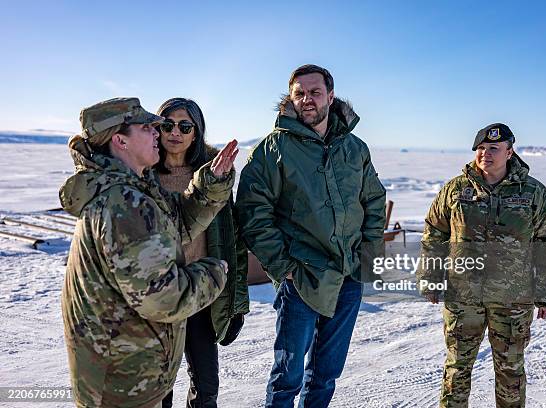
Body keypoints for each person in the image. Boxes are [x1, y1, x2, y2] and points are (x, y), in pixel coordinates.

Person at [60, 97, 239, 408]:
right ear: (120, 140)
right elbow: (163, 298)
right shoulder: (123, 204)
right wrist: (213, 273)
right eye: (149, 127)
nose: (160, 132)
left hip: (129, 368)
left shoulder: (132, 189)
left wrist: (210, 186)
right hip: (124, 381)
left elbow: (178, 222)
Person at [236, 64, 386, 407]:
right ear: (291, 98)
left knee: (326, 374)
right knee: (287, 378)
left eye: (315, 92)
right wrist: (282, 265)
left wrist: (368, 252)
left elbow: (373, 200)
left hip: (348, 275)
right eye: (299, 93)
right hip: (301, 277)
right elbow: (252, 212)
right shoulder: (272, 149)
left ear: (330, 97)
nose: (307, 100)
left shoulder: (355, 148)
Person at [417, 123, 546, 407]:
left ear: (509, 152)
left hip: (513, 298)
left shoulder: (533, 193)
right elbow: (435, 233)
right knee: (456, 368)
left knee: (510, 371)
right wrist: (430, 277)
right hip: (463, 297)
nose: (485, 154)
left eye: (494, 149)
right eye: (481, 149)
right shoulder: (455, 189)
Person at [155, 98, 249, 408]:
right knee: (158, 388)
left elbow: (231, 239)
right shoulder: (144, 175)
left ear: (196, 132)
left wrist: (236, 302)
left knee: (206, 386)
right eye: (167, 124)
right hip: (158, 295)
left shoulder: (214, 176)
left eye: (185, 126)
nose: (175, 133)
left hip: (200, 292)